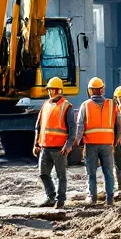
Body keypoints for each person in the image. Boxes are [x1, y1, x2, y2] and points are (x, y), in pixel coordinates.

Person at [73, 77, 118, 206]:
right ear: (102, 89)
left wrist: (78, 141)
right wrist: (115, 141)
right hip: (107, 144)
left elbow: (80, 125)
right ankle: (110, 199)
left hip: (91, 144)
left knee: (91, 173)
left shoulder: (85, 105)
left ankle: (92, 198)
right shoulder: (112, 104)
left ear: (90, 91)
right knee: (108, 172)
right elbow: (117, 124)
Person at [33, 77, 74, 209]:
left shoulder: (66, 106)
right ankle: (51, 197)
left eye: (52, 89)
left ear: (58, 90)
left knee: (61, 175)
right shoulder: (45, 105)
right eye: (49, 90)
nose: (50, 92)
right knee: (43, 173)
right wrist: (36, 144)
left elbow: (72, 129)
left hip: (59, 148)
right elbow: (38, 126)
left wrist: (68, 146)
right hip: (45, 147)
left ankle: (60, 200)